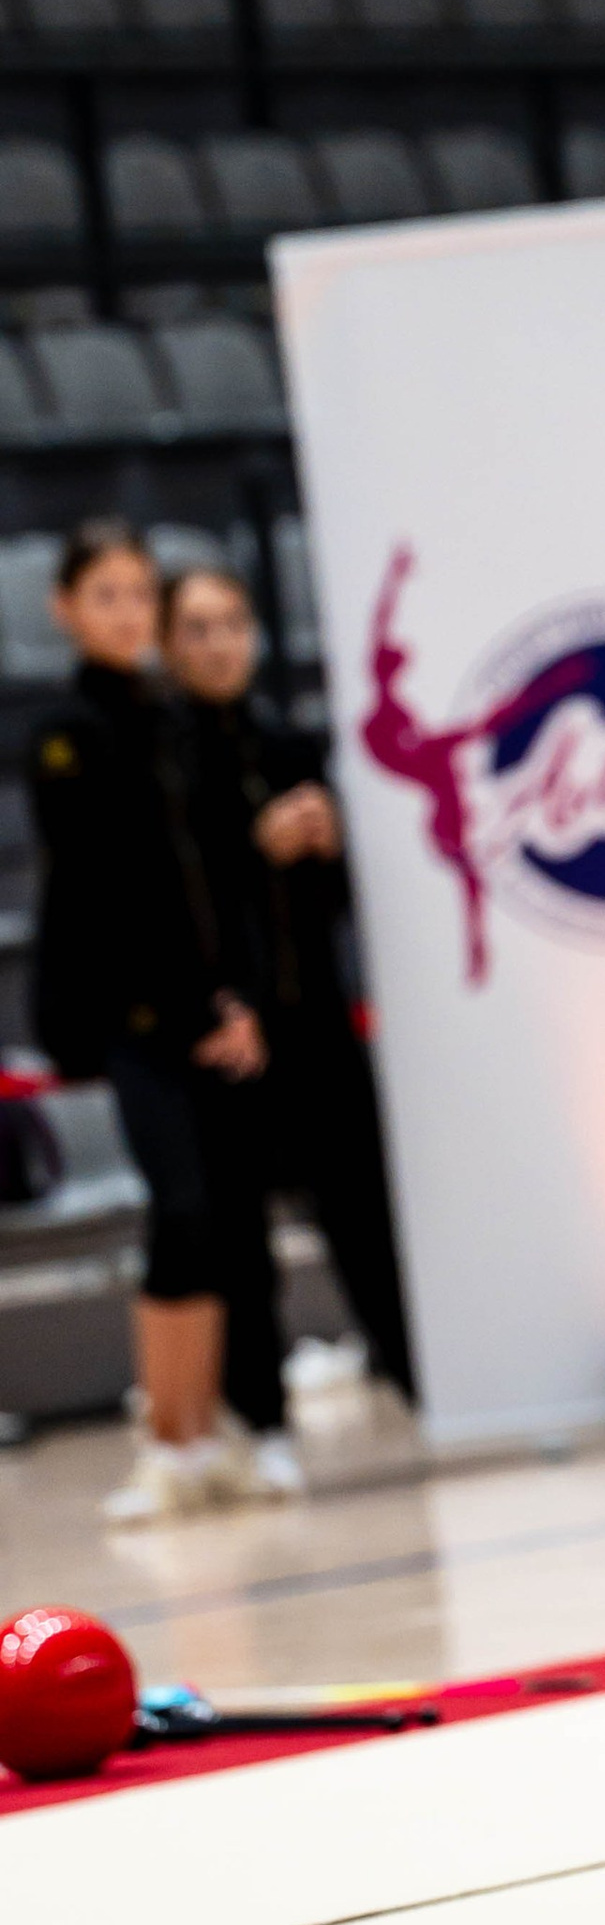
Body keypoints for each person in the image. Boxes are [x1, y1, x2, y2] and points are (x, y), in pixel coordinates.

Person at [28, 521, 281, 1520]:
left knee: (219, 1221)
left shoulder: (176, 722)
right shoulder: (66, 733)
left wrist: (240, 1002)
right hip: (138, 1016)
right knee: (177, 1207)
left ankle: (207, 1430)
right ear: (66, 609)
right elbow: (103, 893)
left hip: (211, 1011)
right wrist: (194, 1007)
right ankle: (165, 1437)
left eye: (140, 596)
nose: (128, 615)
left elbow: (217, 878)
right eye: (106, 597)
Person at [162, 562, 416, 1421]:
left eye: (231, 622)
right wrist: (254, 847)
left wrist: (334, 845)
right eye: (196, 627)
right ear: (168, 644)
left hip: (317, 1024)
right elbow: (176, 900)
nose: (218, 642)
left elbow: (344, 903)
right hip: (230, 1037)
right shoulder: (167, 765)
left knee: (368, 1216)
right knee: (241, 1242)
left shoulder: (291, 746)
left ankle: (421, 1380)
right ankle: (259, 1423)